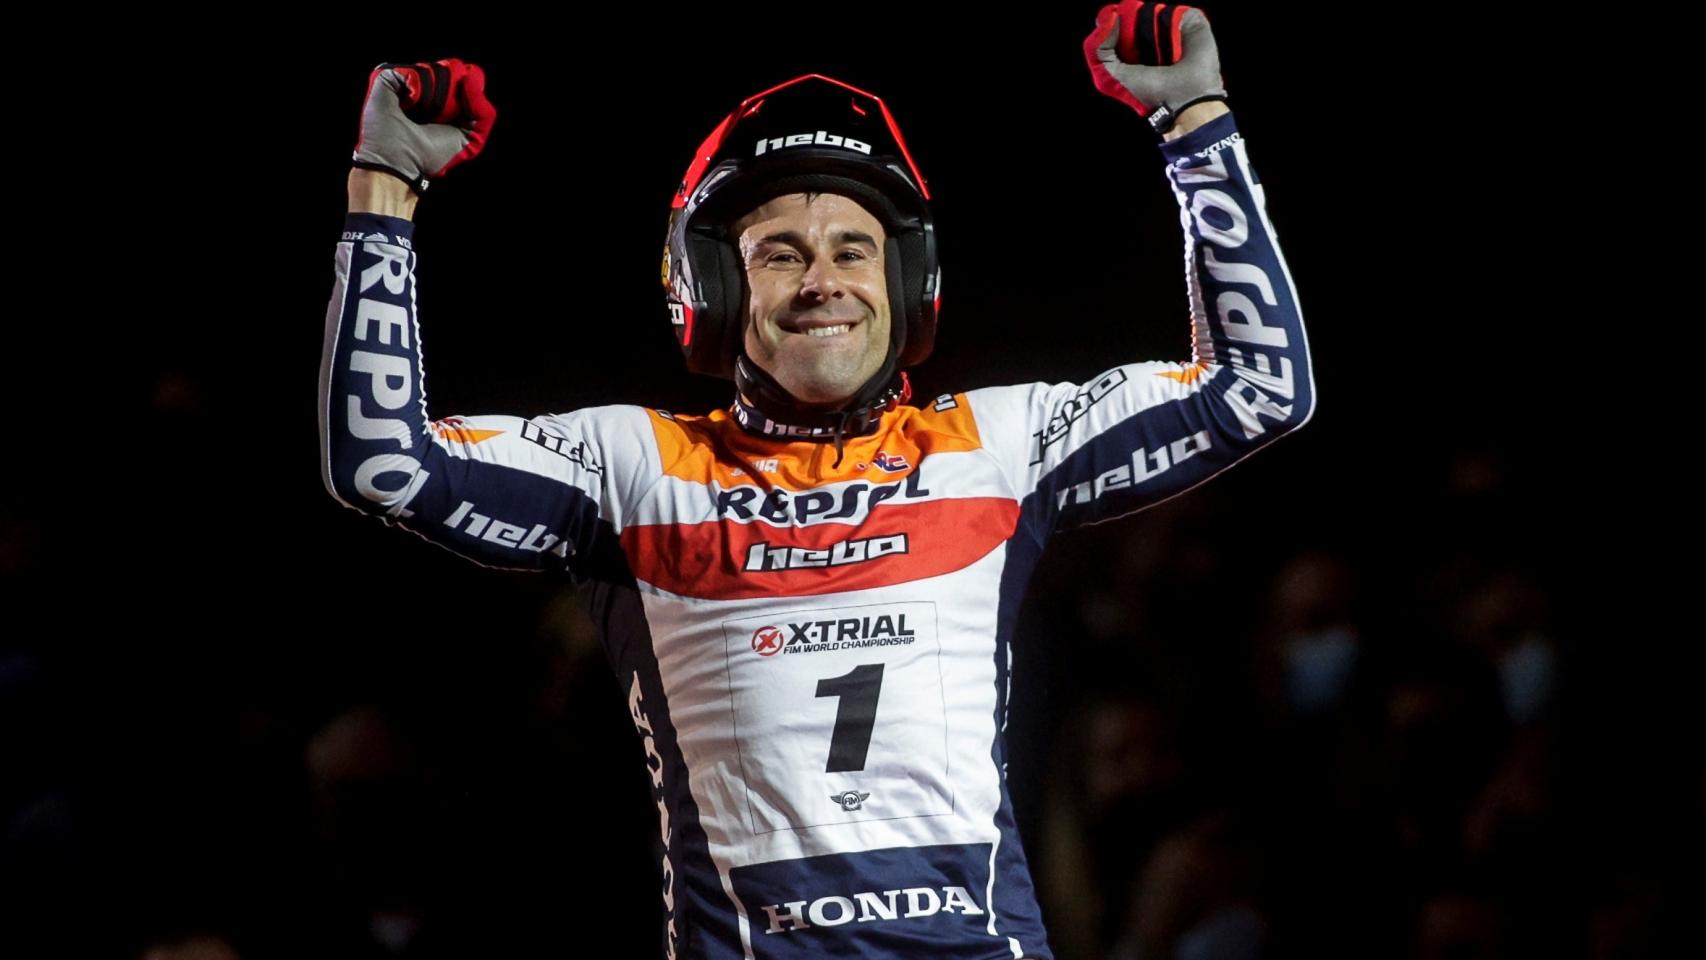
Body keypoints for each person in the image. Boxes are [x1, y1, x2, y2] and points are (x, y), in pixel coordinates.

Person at [318, 3, 1315, 957]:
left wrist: (1196, 127)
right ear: (710, 291)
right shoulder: (633, 468)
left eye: (853, 250)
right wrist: (385, 188)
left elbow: (1261, 388)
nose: (822, 281)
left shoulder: (996, 444)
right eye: (779, 255)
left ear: (907, 282)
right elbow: (384, 461)